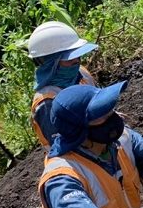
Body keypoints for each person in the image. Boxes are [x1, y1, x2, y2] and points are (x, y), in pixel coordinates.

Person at [28, 21, 99, 150]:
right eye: (69, 58)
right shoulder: (47, 102)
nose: (76, 61)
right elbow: (65, 146)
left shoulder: (81, 73)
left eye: (77, 55)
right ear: (50, 63)